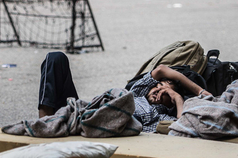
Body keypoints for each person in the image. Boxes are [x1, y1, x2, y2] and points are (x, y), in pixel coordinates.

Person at [37, 52, 211, 132]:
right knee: (56, 58)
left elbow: (181, 129)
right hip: (81, 111)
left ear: (171, 102)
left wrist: (179, 98)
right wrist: (200, 90)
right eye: (158, 86)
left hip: (94, 125)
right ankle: (46, 122)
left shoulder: (162, 118)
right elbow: (161, 70)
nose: (159, 90)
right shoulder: (138, 92)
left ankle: (49, 127)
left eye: (166, 93)